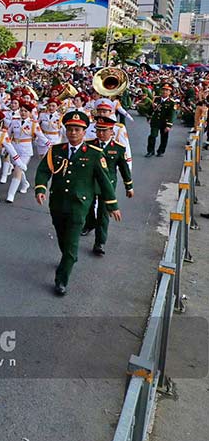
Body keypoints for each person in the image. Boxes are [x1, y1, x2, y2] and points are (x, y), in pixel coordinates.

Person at [34, 111, 121, 296]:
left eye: (77, 130)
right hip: (57, 203)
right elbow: (43, 171)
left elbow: (105, 181)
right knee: (62, 237)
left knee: (72, 243)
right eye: (70, 129)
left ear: (84, 132)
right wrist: (40, 188)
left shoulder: (94, 154)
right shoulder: (56, 151)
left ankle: (61, 279)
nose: (73, 133)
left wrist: (112, 205)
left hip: (79, 206)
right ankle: (68, 257)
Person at [83, 116, 133, 255]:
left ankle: (100, 243)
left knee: (103, 214)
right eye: (98, 130)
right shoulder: (89, 144)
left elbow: (124, 169)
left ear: (112, 131)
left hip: (107, 185)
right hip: (90, 182)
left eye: (104, 131)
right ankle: (89, 223)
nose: (100, 134)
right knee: (87, 206)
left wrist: (129, 186)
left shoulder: (118, 148)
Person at [145, 83, 175, 157]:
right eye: (164, 90)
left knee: (164, 137)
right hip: (155, 121)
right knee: (152, 136)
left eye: (167, 90)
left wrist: (169, 125)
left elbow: (172, 114)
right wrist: (148, 117)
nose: (165, 92)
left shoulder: (172, 102)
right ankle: (150, 151)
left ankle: (161, 151)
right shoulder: (156, 99)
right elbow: (151, 109)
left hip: (165, 122)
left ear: (170, 92)